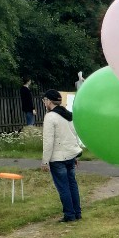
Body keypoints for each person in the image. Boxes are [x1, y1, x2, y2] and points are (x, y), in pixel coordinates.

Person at [40, 89, 82, 223]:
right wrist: (76, 155)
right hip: (70, 155)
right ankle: (77, 213)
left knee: (63, 187)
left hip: (58, 158)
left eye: (44, 100)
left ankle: (69, 215)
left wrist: (45, 161)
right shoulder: (68, 115)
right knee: (72, 185)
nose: (44, 103)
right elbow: (74, 135)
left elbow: (48, 141)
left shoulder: (50, 117)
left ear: (49, 101)